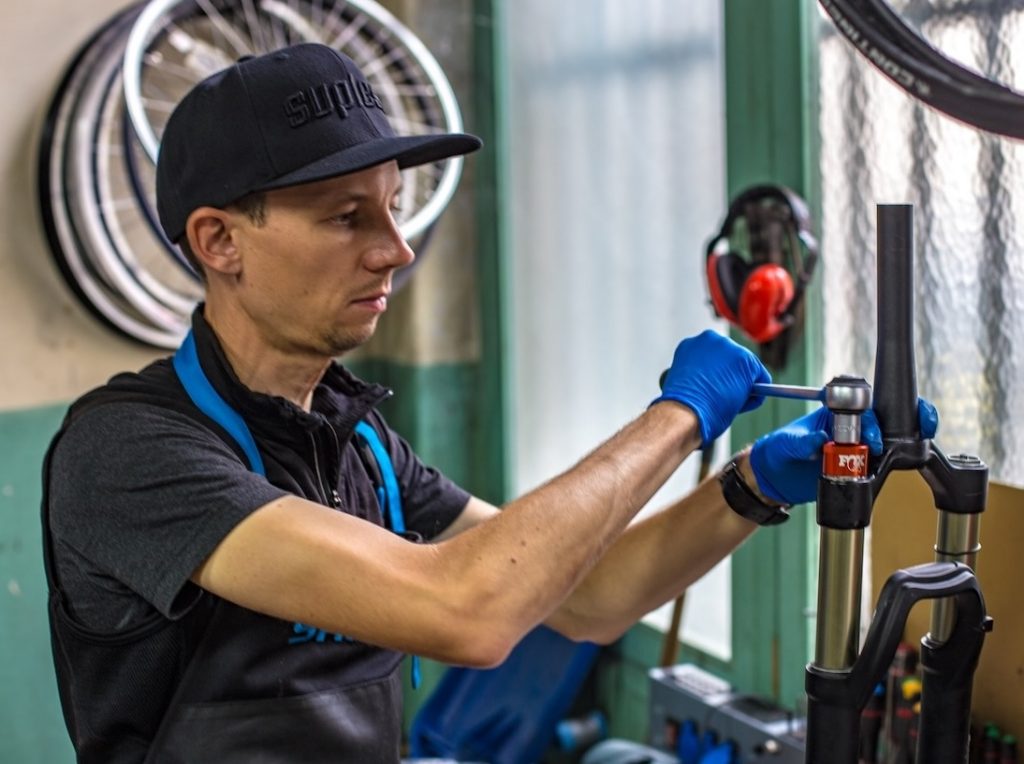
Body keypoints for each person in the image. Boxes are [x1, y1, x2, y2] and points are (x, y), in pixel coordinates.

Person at [41, 43, 932, 763]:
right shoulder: (130, 450)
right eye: (349, 218)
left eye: (396, 211)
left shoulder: (362, 447)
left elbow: (589, 602)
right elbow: (466, 611)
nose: (397, 251)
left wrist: (751, 484)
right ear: (220, 240)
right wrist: (681, 415)